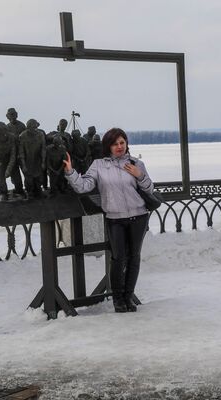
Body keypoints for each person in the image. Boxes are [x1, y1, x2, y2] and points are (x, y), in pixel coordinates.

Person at [63, 128, 154, 313]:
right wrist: (70, 172)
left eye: (122, 142)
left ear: (126, 143)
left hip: (139, 216)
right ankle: (118, 299)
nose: (119, 147)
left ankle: (129, 297)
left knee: (134, 258)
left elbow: (150, 189)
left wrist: (139, 175)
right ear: (108, 146)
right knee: (118, 258)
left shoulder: (136, 163)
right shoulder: (99, 165)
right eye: (115, 144)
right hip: (115, 218)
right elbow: (83, 186)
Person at [0, 121, 20, 200]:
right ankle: (3, 193)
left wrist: (8, 170)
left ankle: (19, 192)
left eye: (3, 134)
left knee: (17, 179)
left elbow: (13, 156)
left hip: (13, 161)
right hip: (1, 161)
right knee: (0, 177)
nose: (1, 136)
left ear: (6, 132)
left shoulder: (12, 138)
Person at [18, 119, 46, 199]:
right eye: (32, 127)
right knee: (29, 179)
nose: (34, 129)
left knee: (39, 177)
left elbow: (43, 148)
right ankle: (29, 192)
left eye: (35, 127)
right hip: (27, 160)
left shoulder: (40, 134)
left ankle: (38, 191)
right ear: (28, 127)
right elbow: (21, 152)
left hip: (37, 159)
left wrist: (43, 161)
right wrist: (23, 164)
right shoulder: (22, 136)